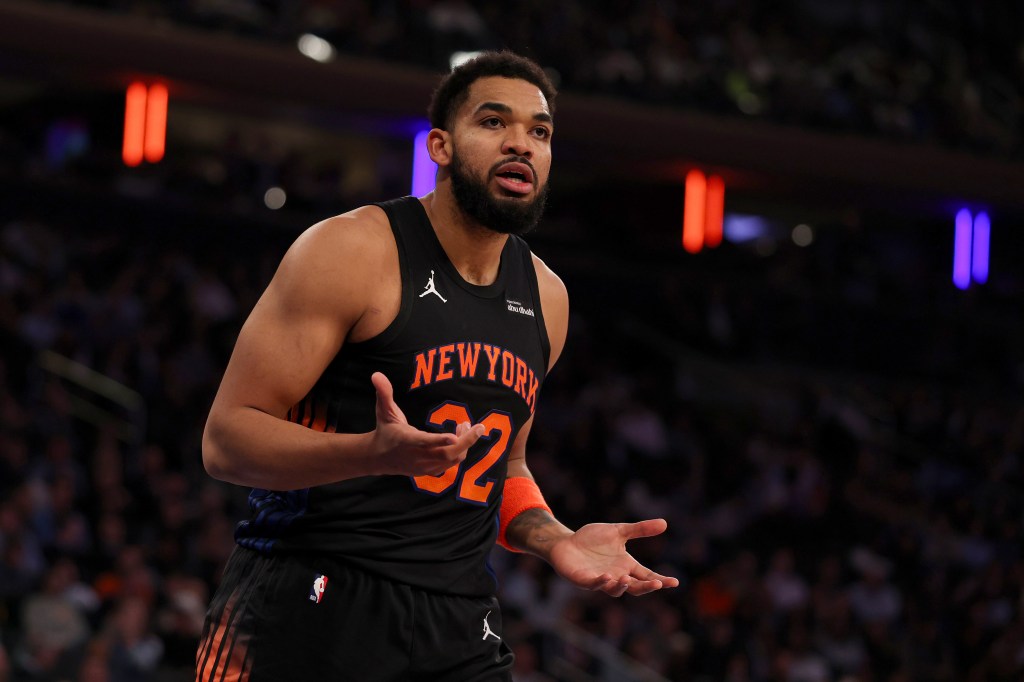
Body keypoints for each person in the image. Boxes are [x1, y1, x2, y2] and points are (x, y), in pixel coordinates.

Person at [195, 50, 678, 682]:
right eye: (494, 122)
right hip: (310, 597)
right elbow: (226, 441)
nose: (521, 144)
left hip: (458, 618)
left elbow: (503, 467)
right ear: (442, 147)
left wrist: (554, 538)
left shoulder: (546, 297)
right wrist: (372, 452)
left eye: (539, 131)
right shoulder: (352, 250)